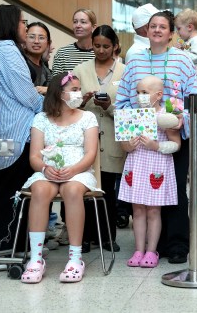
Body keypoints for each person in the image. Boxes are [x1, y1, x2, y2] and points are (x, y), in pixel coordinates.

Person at [115, 10, 197, 264]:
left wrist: (183, 115)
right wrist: (129, 131)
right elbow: (122, 101)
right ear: (146, 31)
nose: (157, 30)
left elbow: (193, 95)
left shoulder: (183, 61)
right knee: (144, 194)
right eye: (153, 26)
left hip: (173, 133)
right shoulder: (134, 61)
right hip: (141, 139)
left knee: (174, 191)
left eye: (163, 26)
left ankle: (176, 244)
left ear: (171, 33)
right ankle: (152, 246)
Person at [19, 72, 99, 283]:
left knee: (72, 190)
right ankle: (36, 259)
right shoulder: (41, 119)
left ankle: (75, 258)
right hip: (49, 171)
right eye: (74, 90)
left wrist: (73, 170)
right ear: (59, 93)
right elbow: (35, 155)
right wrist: (45, 169)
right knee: (39, 190)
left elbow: (91, 153)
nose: (78, 94)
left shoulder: (88, 117)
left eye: (78, 89)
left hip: (78, 171)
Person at [0, 4, 44, 259]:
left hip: (1, 129)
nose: (25, 28)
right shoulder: (7, 51)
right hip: (16, 132)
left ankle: (2, 246)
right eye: (22, 23)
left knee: (0, 193)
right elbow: (26, 94)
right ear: (10, 23)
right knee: (12, 194)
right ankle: (6, 249)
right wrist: (49, 109)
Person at [73, 25, 126, 252]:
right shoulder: (80, 69)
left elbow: (129, 108)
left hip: (113, 137)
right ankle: (83, 237)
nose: (101, 50)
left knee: (109, 191)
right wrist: (82, 102)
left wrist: (110, 106)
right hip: (85, 140)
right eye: (96, 46)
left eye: (106, 46)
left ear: (115, 46)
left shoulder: (125, 71)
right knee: (83, 189)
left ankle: (107, 237)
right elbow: (69, 103)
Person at [119, 75, 180, 268]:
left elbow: (176, 144)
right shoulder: (132, 114)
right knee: (137, 210)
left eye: (144, 93)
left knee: (154, 210)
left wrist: (156, 145)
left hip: (157, 165)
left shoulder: (165, 115)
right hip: (136, 163)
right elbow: (124, 145)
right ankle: (138, 249)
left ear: (158, 95)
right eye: (138, 93)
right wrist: (129, 145)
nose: (140, 96)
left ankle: (152, 250)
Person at [51, 9, 97, 76]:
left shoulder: (100, 53)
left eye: (83, 22)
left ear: (93, 27)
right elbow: (55, 83)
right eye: (75, 22)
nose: (78, 25)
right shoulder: (62, 53)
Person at [174, 8, 197, 79]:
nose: (177, 32)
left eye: (179, 29)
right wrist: (180, 48)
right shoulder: (188, 41)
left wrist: (180, 53)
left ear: (189, 27)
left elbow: (196, 57)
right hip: (188, 72)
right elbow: (188, 49)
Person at [23, 22, 52, 95]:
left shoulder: (46, 71)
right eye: (32, 37)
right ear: (24, 39)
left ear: (48, 43)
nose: (36, 41)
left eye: (41, 38)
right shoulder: (20, 64)